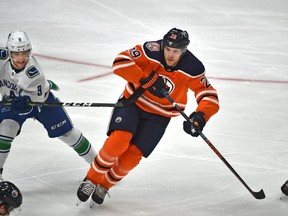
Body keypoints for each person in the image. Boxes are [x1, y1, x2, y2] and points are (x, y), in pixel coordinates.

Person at [77, 28, 220, 205]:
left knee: (133, 156)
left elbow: (208, 95)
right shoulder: (151, 50)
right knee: (119, 141)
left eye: (175, 51)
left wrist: (201, 116)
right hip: (133, 103)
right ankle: (91, 180)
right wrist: (144, 78)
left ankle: (104, 185)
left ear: (183, 51)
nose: (169, 55)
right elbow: (120, 62)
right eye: (167, 49)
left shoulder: (193, 67)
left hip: (160, 115)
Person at [0, 31, 97, 180]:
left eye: (25, 53)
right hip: (12, 103)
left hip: (41, 102)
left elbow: (35, 105)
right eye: (16, 54)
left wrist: (25, 105)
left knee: (68, 134)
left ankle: (99, 167)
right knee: (5, 130)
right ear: (9, 52)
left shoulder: (34, 73)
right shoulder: (2, 59)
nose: (21, 58)